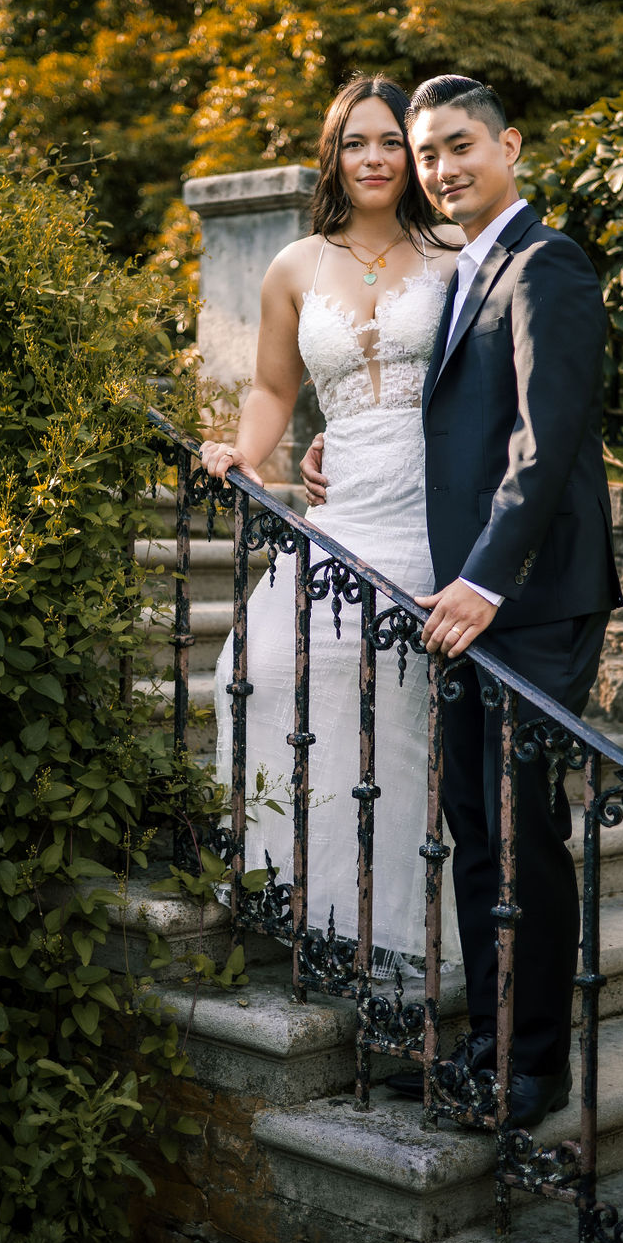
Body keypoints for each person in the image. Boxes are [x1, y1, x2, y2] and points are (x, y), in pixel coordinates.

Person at [302, 75, 623, 1125]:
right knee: (476, 836)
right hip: (465, 600)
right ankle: (483, 1050)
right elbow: (446, 426)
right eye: (426, 153)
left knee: (523, 836)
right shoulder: (463, 270)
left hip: (529, 600)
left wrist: (484, 579)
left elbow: (546, 439)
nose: (437, 169)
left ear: (509, 146)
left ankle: (534, 1071)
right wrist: (336, 449)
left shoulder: (547, 264)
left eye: (456, 147)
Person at [199, 74, 463, 971]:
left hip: (432, 508)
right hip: (343, 504)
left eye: (391, 141)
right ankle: (307, 900)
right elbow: (275, 388)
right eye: (357, 143)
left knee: (398, 712)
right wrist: (251, 453)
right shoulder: (297, 266)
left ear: (413, 153)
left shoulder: (456, 255)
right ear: (334, 156)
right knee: (262, 666)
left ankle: (395, 944)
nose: (376, 158)